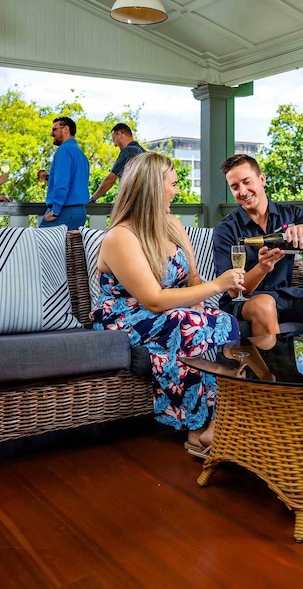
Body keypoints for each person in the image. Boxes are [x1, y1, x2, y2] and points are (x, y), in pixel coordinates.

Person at [91, 152, 245, 459]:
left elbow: (193, 278)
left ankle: (225, 418)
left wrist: (200, 303)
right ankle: (199, 429)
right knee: (187, 323)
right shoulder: (120, 236)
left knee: (225, 321)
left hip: (170, 312)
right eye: (172, 184)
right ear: (152, 186)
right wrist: (217, 286)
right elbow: (153, 299)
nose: (176, 191)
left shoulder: (172, 224)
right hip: (126, 316)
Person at [214, 154, 303, 336]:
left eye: (247, 182)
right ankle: (277, 356)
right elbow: (232, 290)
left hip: (285, 295)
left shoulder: (288, 213)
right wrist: (262, 268)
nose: (243, 191)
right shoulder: (226, 229)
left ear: (262, 179)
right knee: (265, 305)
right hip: (246, 301)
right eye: (235, 187)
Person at [40, 116, 90, 230]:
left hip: (64, 212)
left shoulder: (64, 150)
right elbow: (74, 181)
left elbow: (62, 183)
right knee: (69, 243)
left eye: (54, 129)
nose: (51, 133)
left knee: (37, 240)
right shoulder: (81, 154)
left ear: (66, 129)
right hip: (79, 212)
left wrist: (55, 212)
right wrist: (49, 177)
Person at [89, 122, 146, 204]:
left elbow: (111, 179)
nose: (115, 145)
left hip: (132, 203)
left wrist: (93, 199)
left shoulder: (128, 151)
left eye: (114, 140)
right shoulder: (145, 153)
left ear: (119, 134)